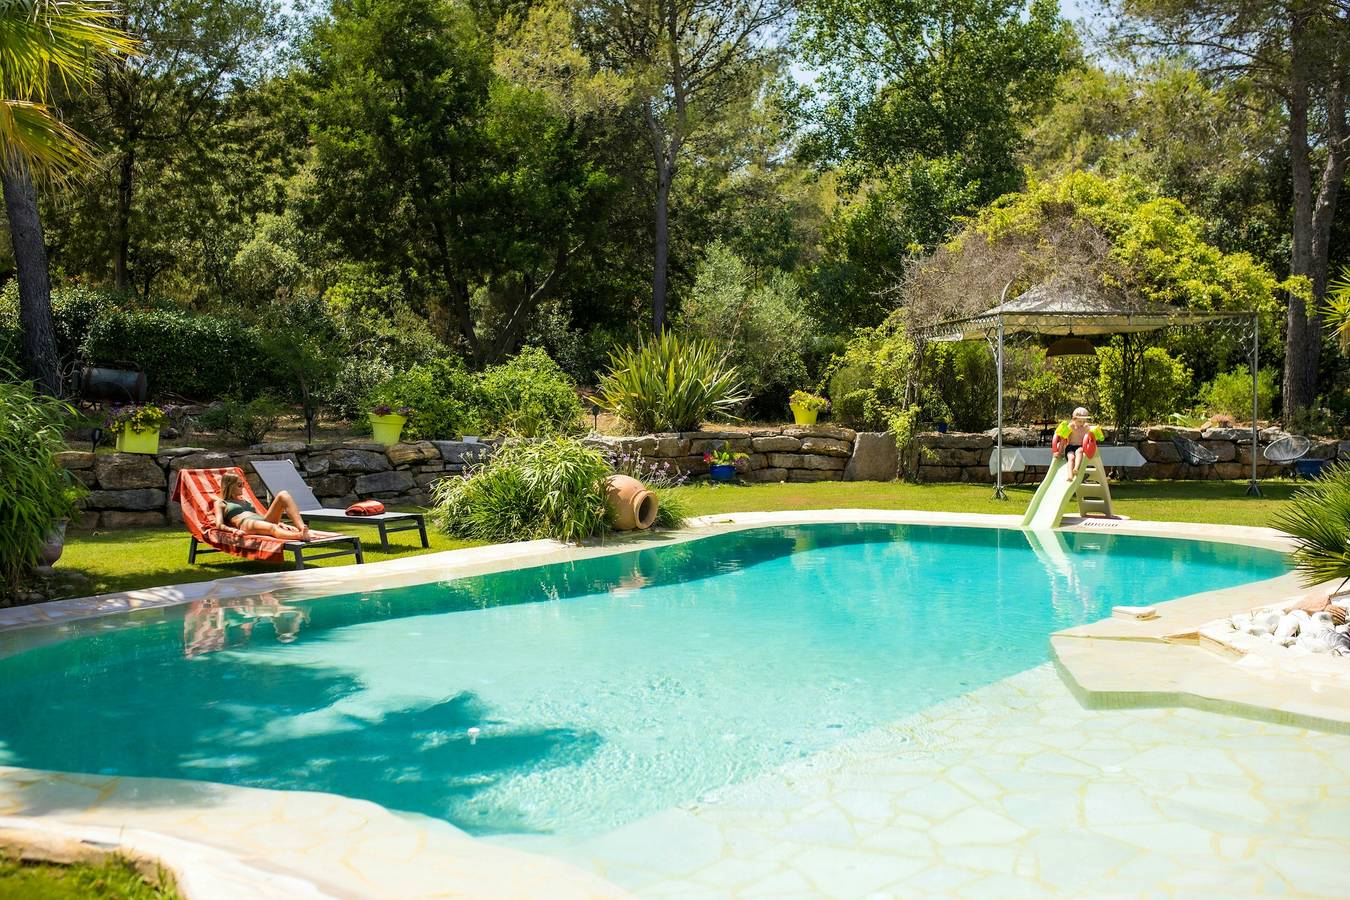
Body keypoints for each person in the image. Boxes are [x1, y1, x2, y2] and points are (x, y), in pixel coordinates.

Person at [213, 471, 313, 541]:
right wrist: (232, 530)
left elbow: (262, 516)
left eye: (243, 484)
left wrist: (281, 523)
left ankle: (301, 528)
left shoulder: (245, 500)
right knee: (272, 527)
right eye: (239, 485)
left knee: (283, 494)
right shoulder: (221, 503)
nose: (243, 487)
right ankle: (299, 536)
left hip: (261, 521)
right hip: (247, 524)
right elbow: (219, 524)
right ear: (230, 486)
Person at [1054, 407, 1103, 482]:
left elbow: (1092, 436)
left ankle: (1076, 468)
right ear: (1074, 419)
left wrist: (1097, 432)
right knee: (1071, 458)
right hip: (1070, 447)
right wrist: (1059, 452)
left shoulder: (1086, 427)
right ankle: (1070, 475)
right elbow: (1063, 439)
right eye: (1080, 421)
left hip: (1080, 446)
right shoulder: (1071, 426)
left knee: (1079, 451)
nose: (1082, 423)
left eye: (1084, 421)